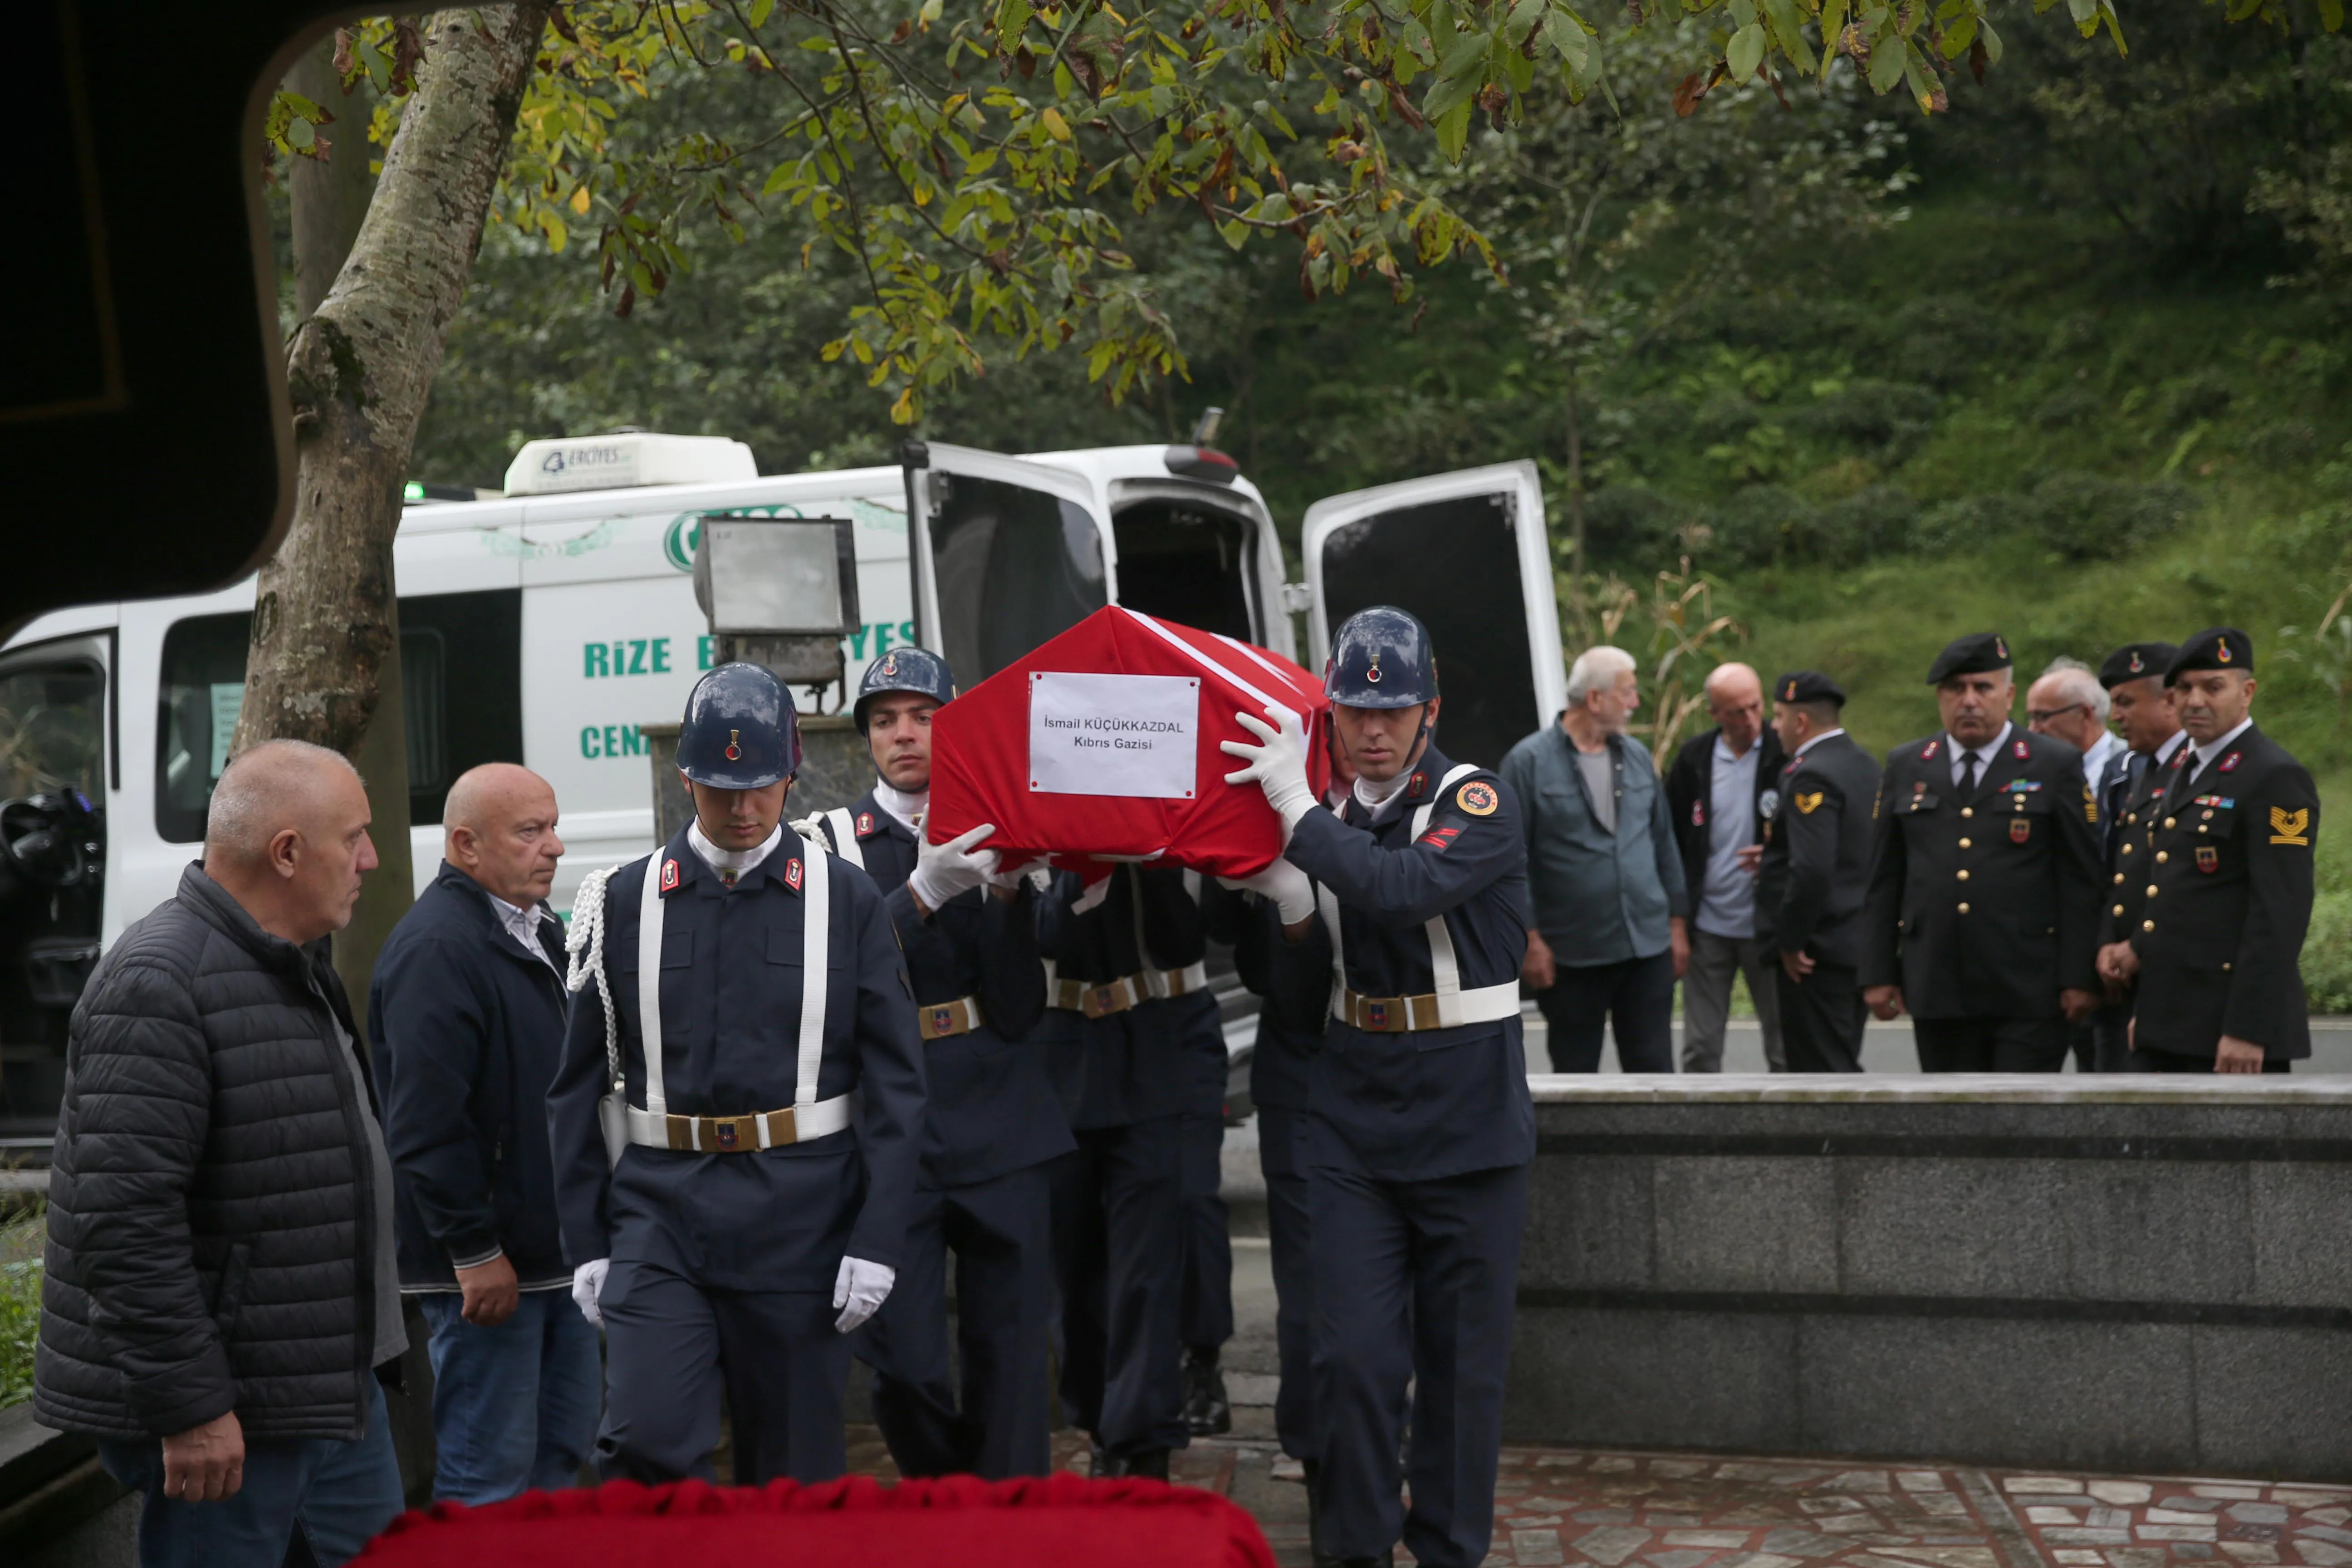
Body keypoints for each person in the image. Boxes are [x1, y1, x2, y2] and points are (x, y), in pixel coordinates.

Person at [545, 663, 927, 1485]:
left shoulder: (846, 899)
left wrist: (877, 1238)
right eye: (721, 789)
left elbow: (896, 1083)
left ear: (790, 775)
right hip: (660, 1214)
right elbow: (575, 1083)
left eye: (761, 785)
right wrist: (586, 1241)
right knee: (644, 1443)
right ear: (686, 778)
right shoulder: (620, 901)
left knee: (792, 1476)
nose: (744, 808)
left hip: (803, 1217)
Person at [36, 740, 407, 1568]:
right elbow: (121, 1224)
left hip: (331, 1390)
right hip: (232, 1419)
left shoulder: (295, 961)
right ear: (286, 853)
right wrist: (191, 1408)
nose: (372, 859)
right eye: (354, 837)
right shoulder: (157, 981)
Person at [1223, 605, 1533, 1568]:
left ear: (1429, 711)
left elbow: (1401, 891)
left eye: (1392, 709)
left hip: (1467, 1119)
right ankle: (1352, 1551)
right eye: (1353, 708)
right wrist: (1291, 915)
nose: (1371, 728)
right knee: (1347, 1359)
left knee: (1457, 1374)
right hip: (1356, 1117)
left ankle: (1445, 1552)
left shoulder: (1476, 801)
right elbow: (1305, 993)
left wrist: (1299, 818)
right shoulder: (1333, 817)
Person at [805, 648, 1071, 1479]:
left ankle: (1009, 1522)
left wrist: (1005, 897)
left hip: (1001, 1109)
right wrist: (919, 893)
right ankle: (947, 1493)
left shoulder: (998, 823)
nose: (904, 734)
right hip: (893, 1121)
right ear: (865, 741)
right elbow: (836, 976)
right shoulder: (830, 842)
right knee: (903, 1357)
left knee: (1018, 1353)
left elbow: (1022, 1002)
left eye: (922, 716)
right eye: (884, 720)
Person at [368, 764, 598, 1505]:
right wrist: (474, 1249)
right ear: (466, 844)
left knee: (560, 1462)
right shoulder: (437, 949)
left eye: (553, 825)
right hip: (489, 1275)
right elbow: (424, 1124)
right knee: (487, 1478)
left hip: (556, 1258)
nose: (556, 846)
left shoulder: (539, 927)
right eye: (530, 831)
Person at [1198, 745, 1357, 1559]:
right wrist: (1222, 857)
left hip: (1375, 1065)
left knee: (1364, 1285)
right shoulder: (1266, 799)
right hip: (1296, 1061)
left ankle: (1361, 1441)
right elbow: (1232, 941)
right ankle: (1313, 1440)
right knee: (1303, 1272)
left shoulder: (1387, 811)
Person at [1862, 632, 2103, 1071]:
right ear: (1940, 698)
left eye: (1983, 688)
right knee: (1949, 1123)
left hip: (2028, 985)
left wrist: (2079, 977)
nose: (1969, 701)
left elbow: (2082, 880)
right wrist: (1878, 972)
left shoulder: (2054, 765)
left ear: (2008, 695)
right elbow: (1885, 877)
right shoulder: (1908, 765)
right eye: (1956, 689)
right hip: (1937, 983)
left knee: (2019, 1121)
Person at [1035, 858, 1200, 1480]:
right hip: (1055, 1056)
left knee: (1147, 1268)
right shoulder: (1027, 828)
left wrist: (1151, 862)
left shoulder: (1143, 835)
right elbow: (1043, 932)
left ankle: (1145, 1437)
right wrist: (1080, 868)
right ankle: (1102, 1419)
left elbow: (1183, 943)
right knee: (1072, 1273)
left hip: (1143, 1050)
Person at [2097, 629, 2319, 1072]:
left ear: (2247, 692)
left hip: (2229, 1028)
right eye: (2183, 688)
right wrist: (2152, 1012)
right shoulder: (2186, 767)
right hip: (2172, 1019)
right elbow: (2173, 894)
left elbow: (2280, 913)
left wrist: (2248, 1028)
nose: (2195, 700)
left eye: (2213, 687)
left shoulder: (2274, 776)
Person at [1500, 645, 1687, 1073]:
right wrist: (1529, 941)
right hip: (1571, 956)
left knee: (1654, 1073)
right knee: (1575, 1073)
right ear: (1596, 698)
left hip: (1646, 949)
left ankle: (1651, 1144)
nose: (1635, 703)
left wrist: (1677, 926)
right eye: (1628, 692)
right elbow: (1512, 861)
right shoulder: (1527, 763)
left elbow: (1664, 844)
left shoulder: (1638, 757)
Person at [1663, 662, 1788, 1072]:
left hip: (1766, 925)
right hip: (1709, 925)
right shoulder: (1694, 759)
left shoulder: (1784, 753)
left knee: (1784, 1047)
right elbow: (1672, 842)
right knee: (1700, 1049)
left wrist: (1774, 857)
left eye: (1756, 707)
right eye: (1737, 712)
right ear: (1714, 713)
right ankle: (1699, 1136)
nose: (1751, 720)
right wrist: (1678, 921)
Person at [1753, 674, 1880, 1073]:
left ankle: (1834, 1141)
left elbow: (1812, 870)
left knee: (1822, 1073)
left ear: (1801, 722)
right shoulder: (1863, 763)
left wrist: (1790, 941)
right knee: (1839, 1055)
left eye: (1778, 716)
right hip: (1856, 941)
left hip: (1817, 952)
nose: (1774, 727)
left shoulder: (1811, 774)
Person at [2084, 642, 2184, 1072]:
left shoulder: (2192, 769)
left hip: (2176, 973)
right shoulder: (2140, 769)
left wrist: (2138, 945)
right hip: (2128, 977)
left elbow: (2186, 882)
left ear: (2169, 701)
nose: (2116, 716)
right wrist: (2108, 940)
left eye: (2126, 703)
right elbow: (2120, 869)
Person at [2027, 656, 2124, 1071]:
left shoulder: (2128, 767)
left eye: (2042, 718)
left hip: (2112, 956)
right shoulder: (2032, 770)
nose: (2033, 731)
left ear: (2085, 714)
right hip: (2049, 958)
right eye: (2029, 718)